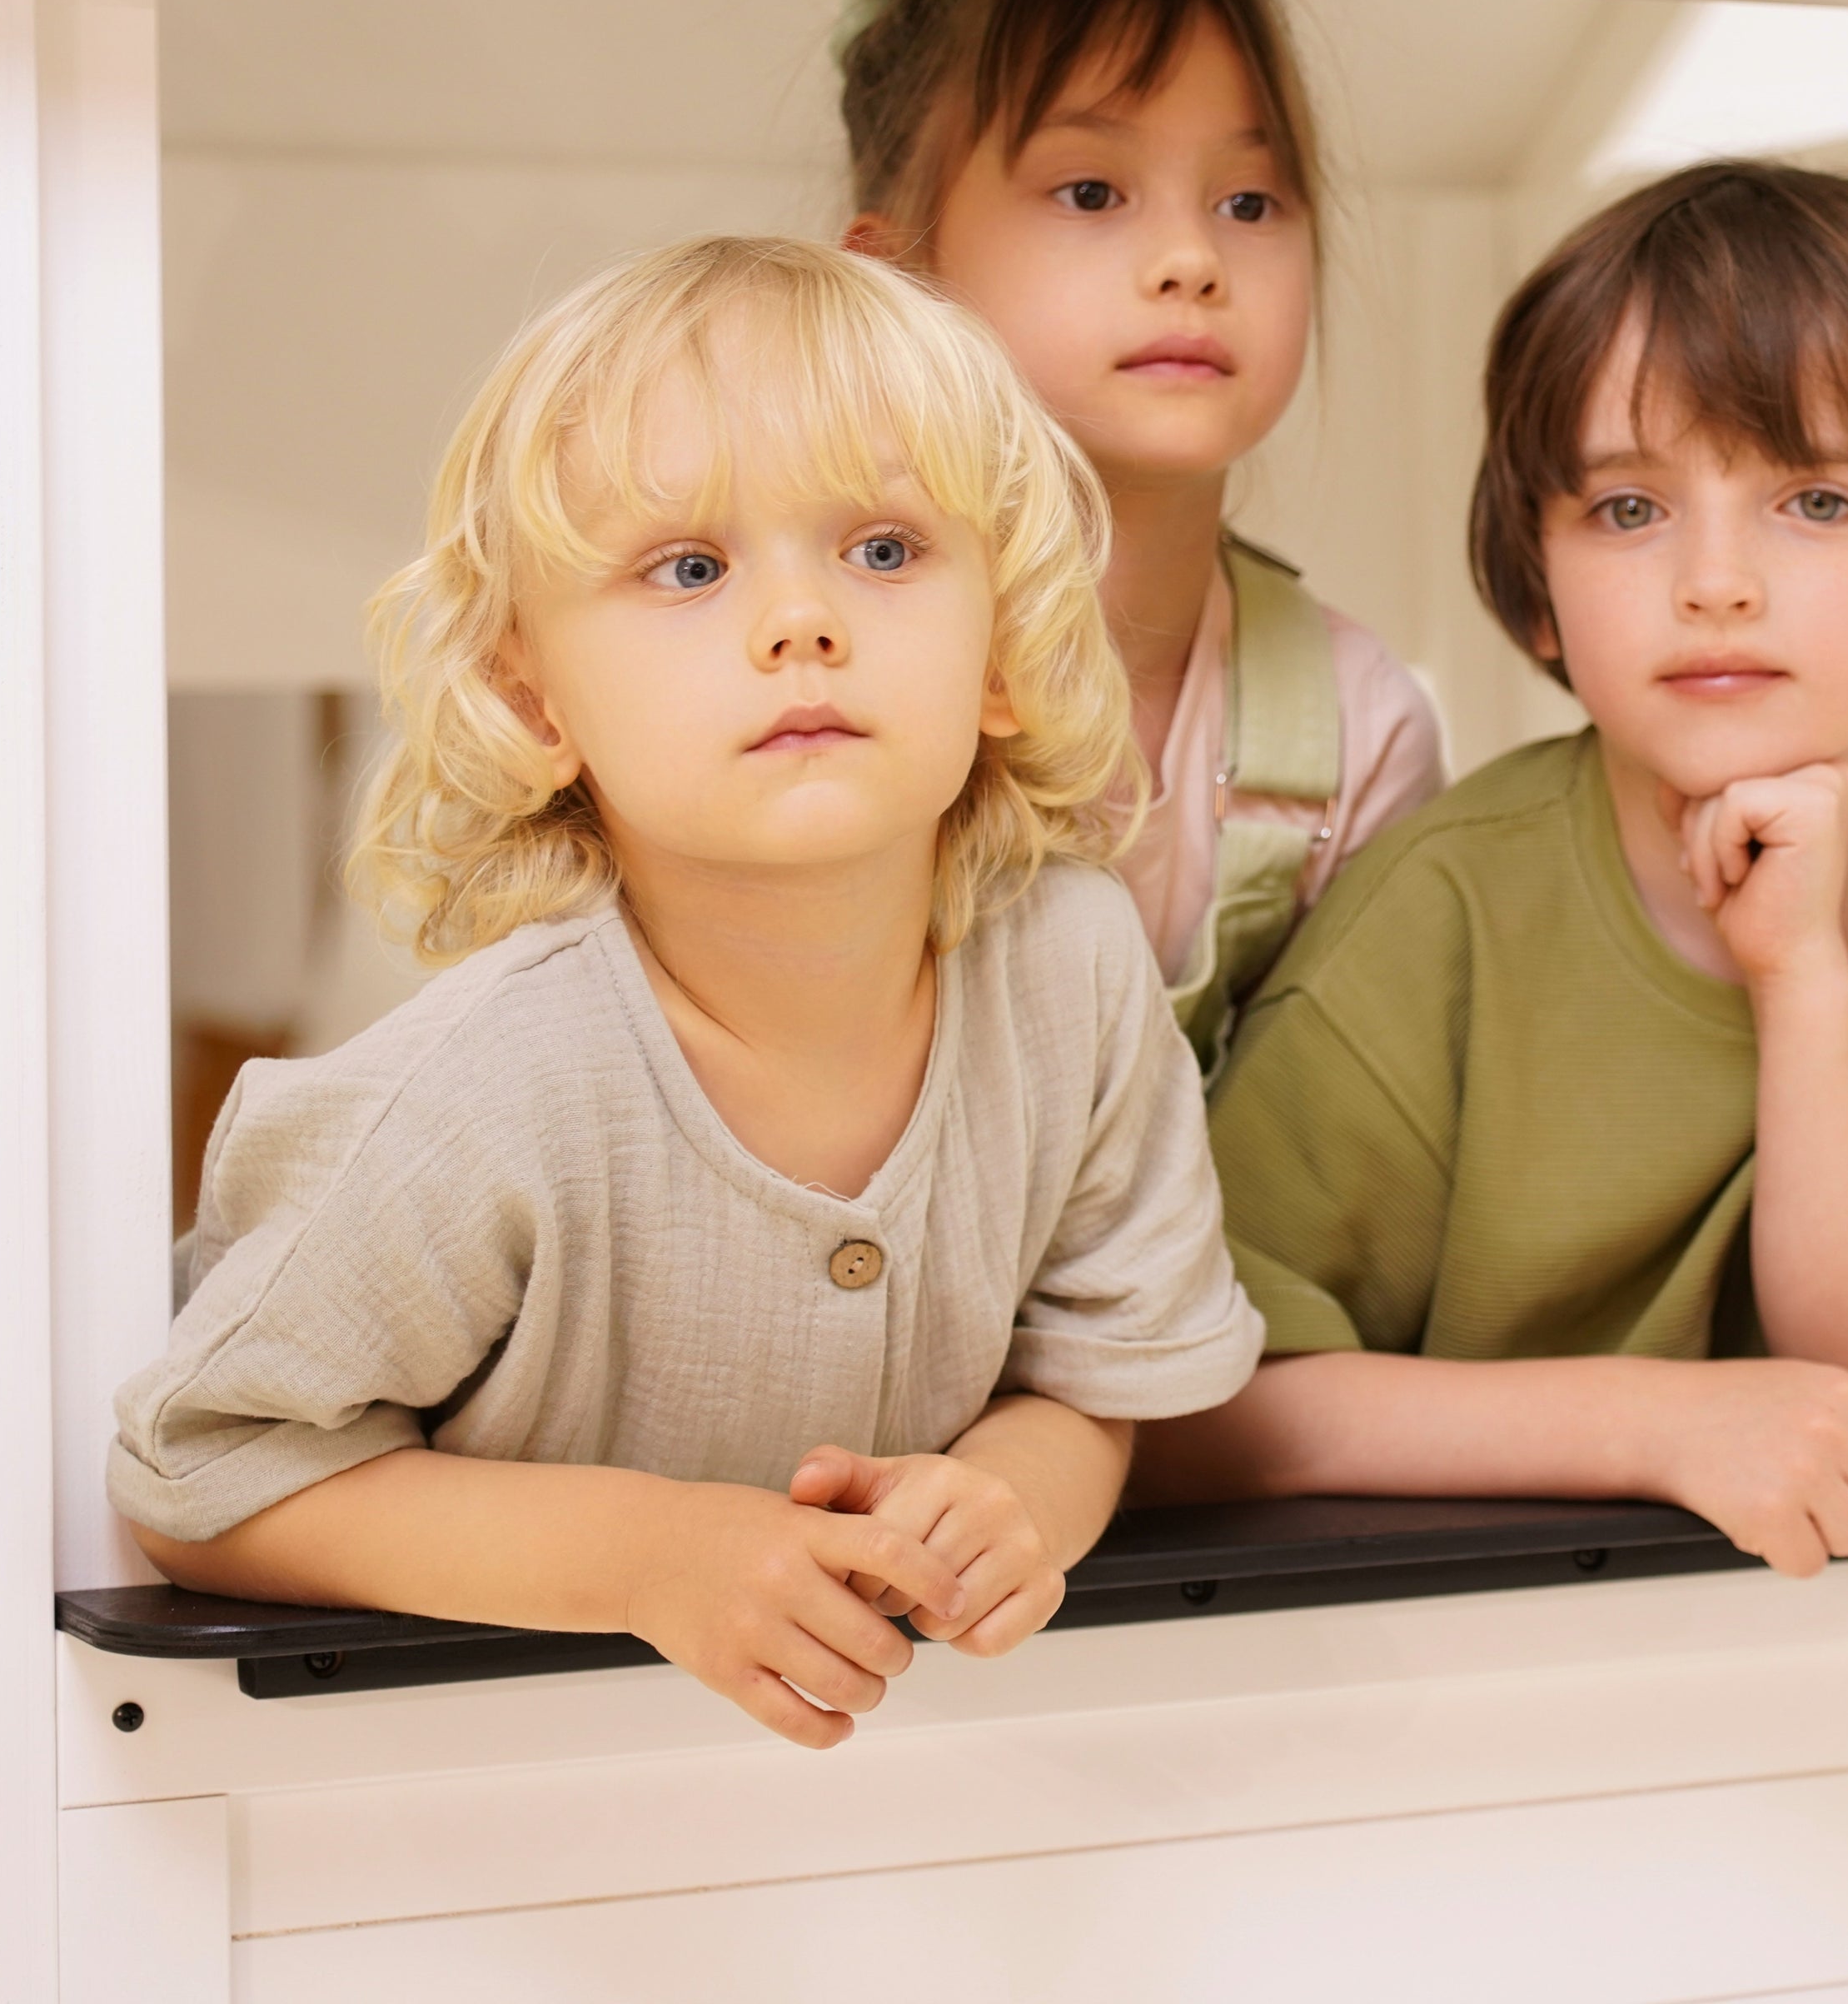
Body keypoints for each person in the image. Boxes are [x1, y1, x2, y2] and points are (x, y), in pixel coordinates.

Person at [109, 239, 1263, 1747]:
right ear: (535, 701)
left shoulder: (1077, 970)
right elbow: (198, 1473)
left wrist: (1012, 1501)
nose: (803, 623)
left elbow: (1096, 1377)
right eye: (692, 569)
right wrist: (649, 1555)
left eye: (886, 550)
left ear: (1004, 650)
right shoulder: (481, 1093)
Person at [1137, 162, 1848, 1578]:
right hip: (1429, 1662)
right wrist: (1652, 1425)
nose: (1714, 581)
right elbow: (1178, 1413)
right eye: (1629, 511)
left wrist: (1799, 978)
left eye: (1815, 499)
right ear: (1539, 589)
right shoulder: (1445, 906)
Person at [839, 0, 1444, 1073]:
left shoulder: (1365, 732)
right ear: (893, 277)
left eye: (1248, 203)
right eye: (1091, 193)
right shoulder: (816, 672)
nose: (1191, 263)